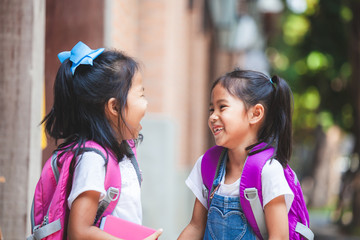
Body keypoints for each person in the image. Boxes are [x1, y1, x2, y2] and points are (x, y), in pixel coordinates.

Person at [42, 41, 162, 239]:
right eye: (141, 95)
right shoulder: (93, 160)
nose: (146, 103)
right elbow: (79, 232)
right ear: (114, 107)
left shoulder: (121, 152)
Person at [178, 69, 295, 240]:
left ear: (255, 114)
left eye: (222, 107)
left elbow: (279, 236)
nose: (212, 116)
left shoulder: (268, 171)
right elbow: (196, 226)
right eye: (211, 109)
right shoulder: (207, 165)